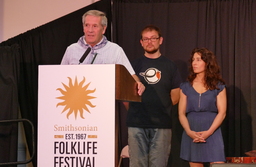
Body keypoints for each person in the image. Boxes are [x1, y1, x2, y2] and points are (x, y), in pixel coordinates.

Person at [125, 25, 182, 167]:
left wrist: (160, 109)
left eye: (153, 38)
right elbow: (125, 97)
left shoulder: (170, 66)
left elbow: (176, 96)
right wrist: (136, 111)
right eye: (146, 39)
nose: (149, 42)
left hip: (162, 124)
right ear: (141, 42)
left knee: (159, 164)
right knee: (137, 164)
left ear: (160, 40)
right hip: (136, 124)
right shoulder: (133, 66)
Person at [61, 10, 144, 95]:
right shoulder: (71, 50)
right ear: (83, 28)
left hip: (105, 99)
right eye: (87, 25)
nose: (90, 30)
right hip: (76, 101)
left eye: (95, 26)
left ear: (103, 29)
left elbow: (131, 76)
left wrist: (138, 84)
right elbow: (60, 77)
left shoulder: (115, 50)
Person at [179, 48, 227, 167]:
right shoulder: (185, 86)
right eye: (193, 60)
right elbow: (181, 113)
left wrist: (208, 132)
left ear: (207, 63)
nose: (194, 63)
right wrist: (189, 132)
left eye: (198, 60)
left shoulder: (218, 86)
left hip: (212, 130)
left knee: (218, 163)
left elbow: (222, 112)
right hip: (192, 131)